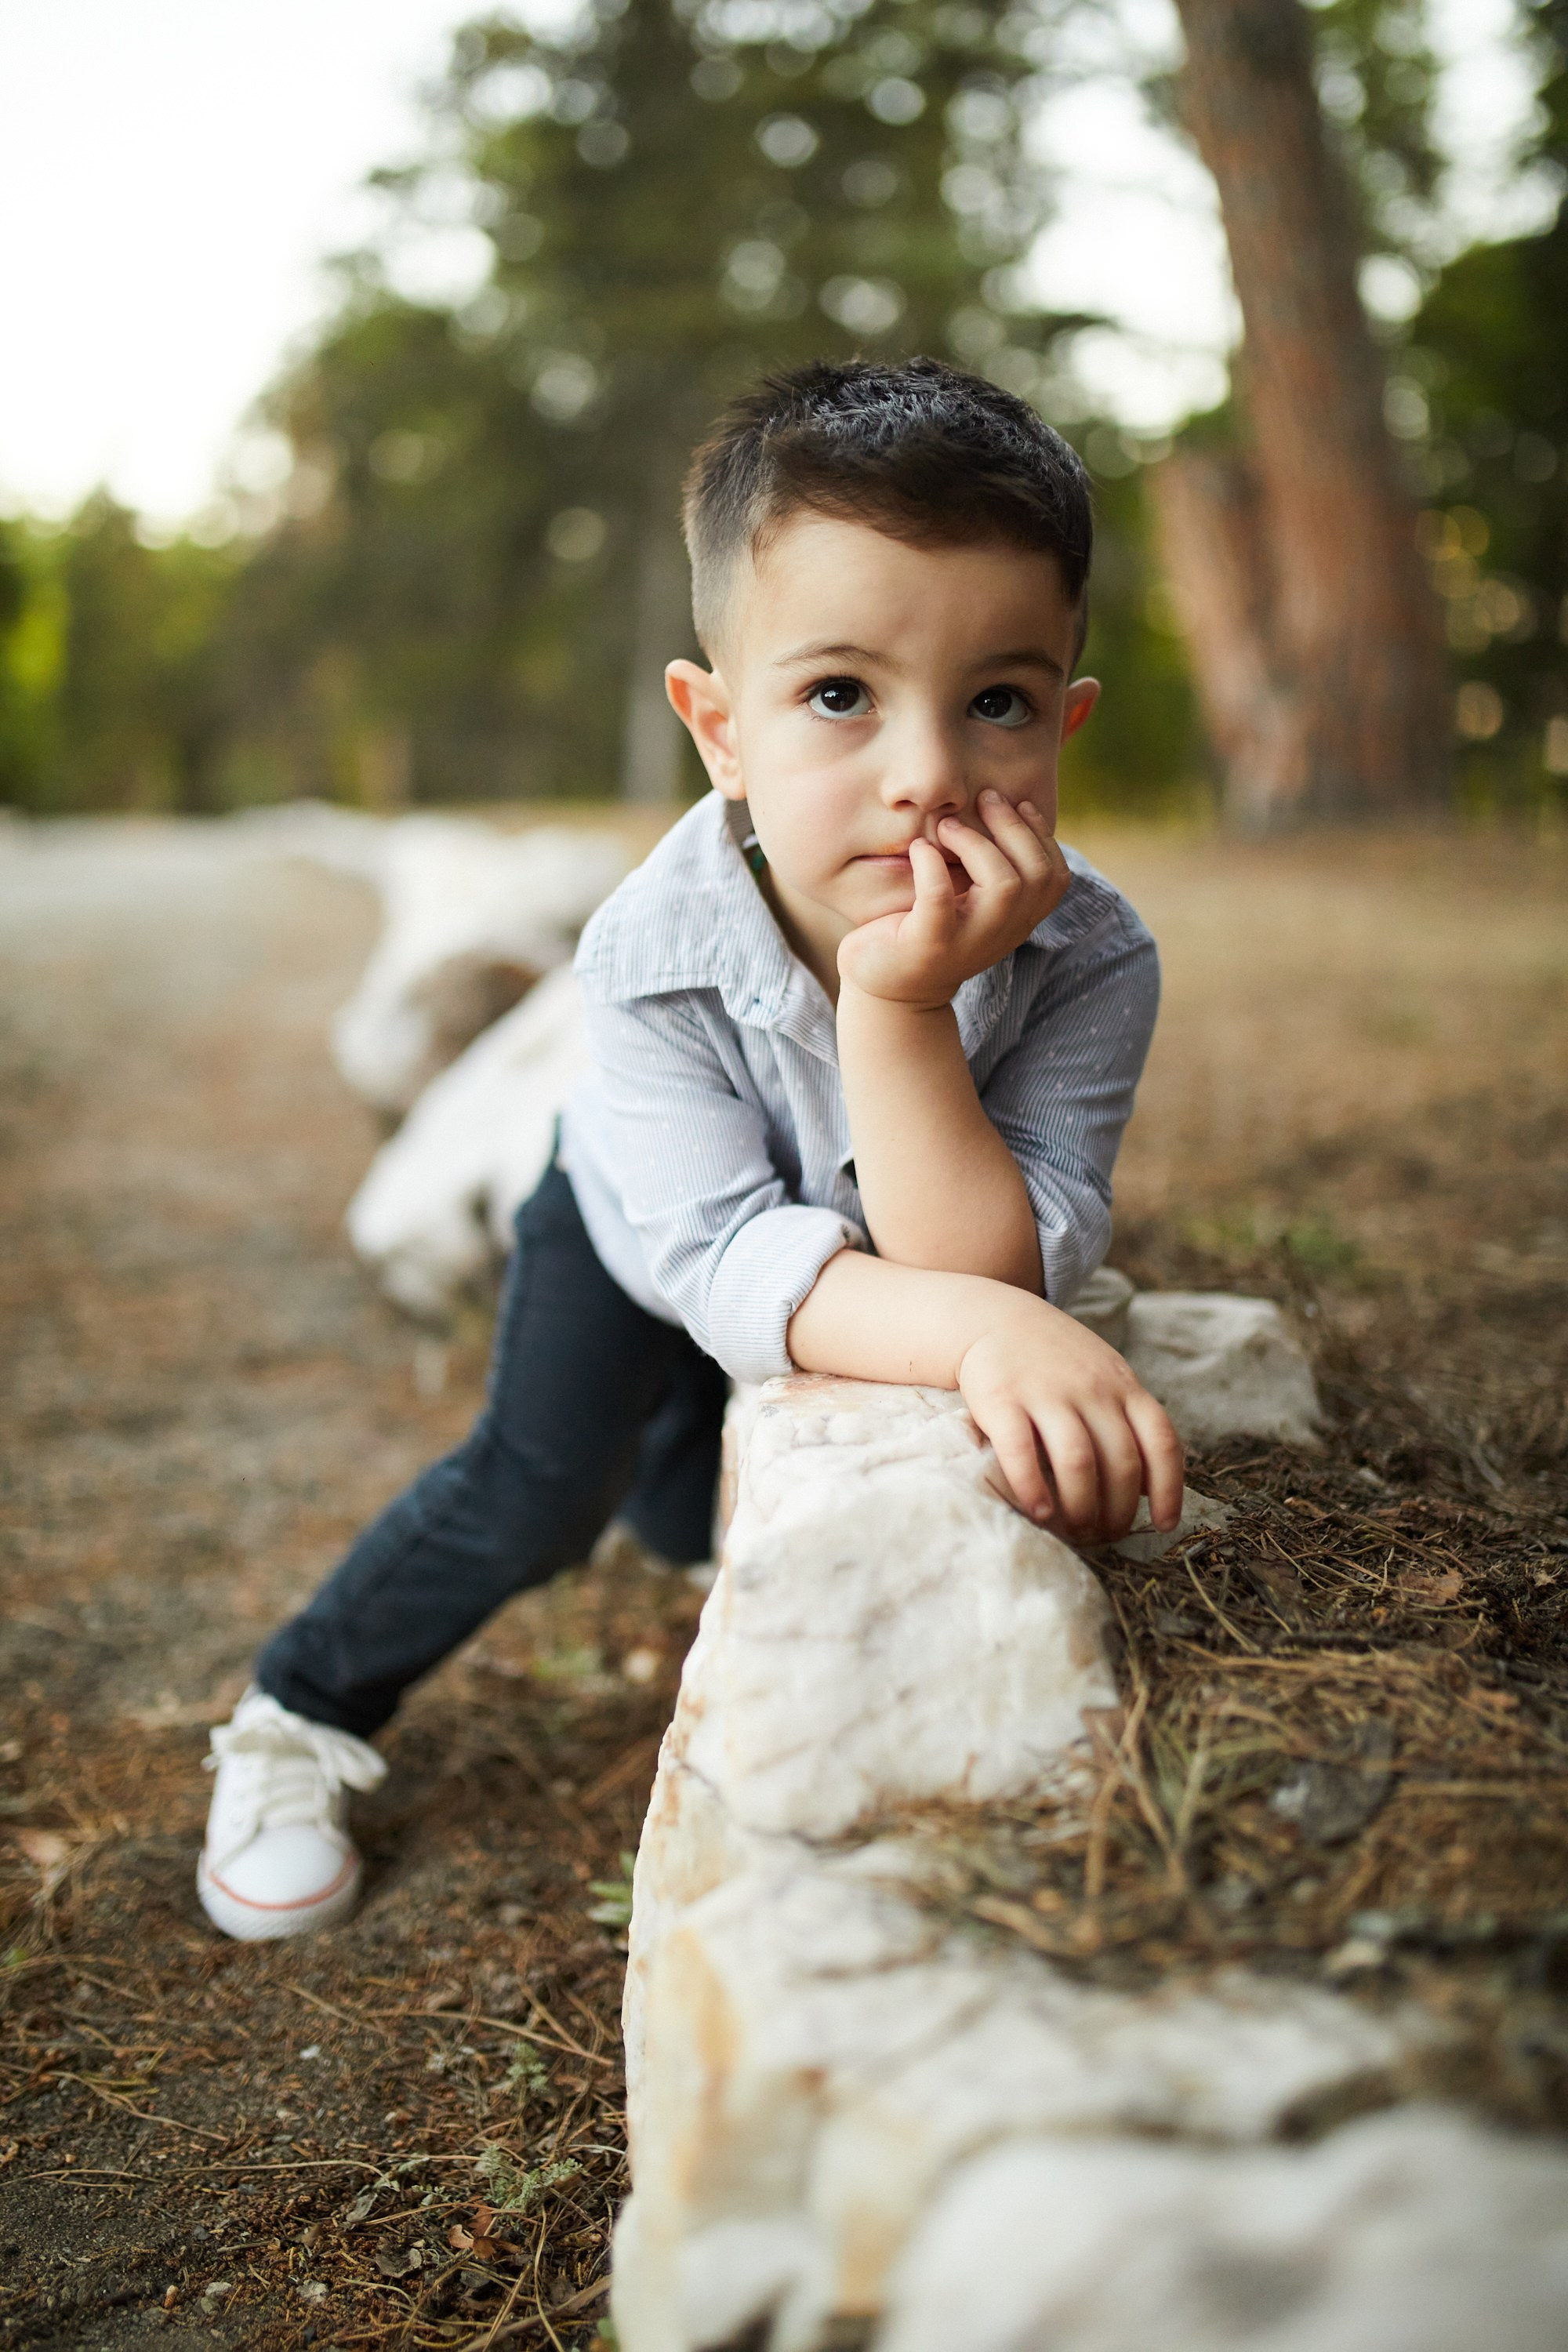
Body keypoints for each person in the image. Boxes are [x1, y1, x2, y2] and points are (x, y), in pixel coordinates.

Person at [196, 357, 1185, 1942]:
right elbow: (725, 1259)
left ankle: (683, 1484)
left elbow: (973, 1273)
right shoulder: (646, 948)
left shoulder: (1091, 959)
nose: (925, 769)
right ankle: (294, 1713)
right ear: (720, 728)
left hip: (855, 1263)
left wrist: (899, 1012)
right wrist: (991, 1321)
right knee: (539, 1490)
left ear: (1062, 719)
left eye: (994, 700)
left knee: (683, 1517)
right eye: (839, 695)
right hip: (640, 1223)